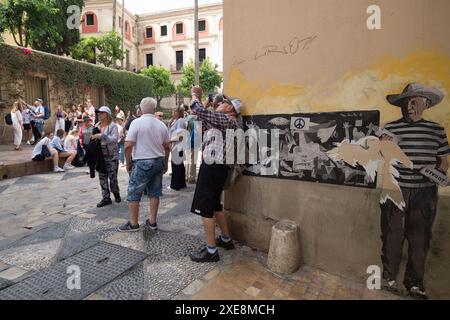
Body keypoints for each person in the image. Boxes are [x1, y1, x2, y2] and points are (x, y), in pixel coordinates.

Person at [380, 83, 449, 300]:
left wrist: (436, 173)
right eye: (406, 101)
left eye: (414, 101)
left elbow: (444, 161)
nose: (409, 106)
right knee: (393, 235)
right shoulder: (390, 129)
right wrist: (384, 147)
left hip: (424, 192)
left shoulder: (436, 130)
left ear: (425, 104)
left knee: (420, 239)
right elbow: (383, 158)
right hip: (397, 189)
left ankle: (415, 284)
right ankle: (389, 279)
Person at [188, 86, 243, 263]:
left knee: (205, 208)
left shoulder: (226, 120)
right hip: (220, 168)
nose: (219, 103)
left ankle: (211, 251)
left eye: (223, 102)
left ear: (229, 108)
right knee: (215, 205)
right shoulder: (227, 122)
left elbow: (197, 109)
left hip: (212, 167)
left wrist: (195, 95)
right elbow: (202, 117)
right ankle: (226, 239)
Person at [118, 97, 170, 232]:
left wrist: (128, 163)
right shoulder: (161, 124)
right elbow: (167, 146)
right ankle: (152, 222)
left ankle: (134, 224)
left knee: (134, 192)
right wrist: (165, 163)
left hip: (142, 162)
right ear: (154, 109)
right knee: (155, 193)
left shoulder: (136, 123)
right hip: (158, 160)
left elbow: (128, 146)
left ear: (141, 109)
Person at [92, 106, 121, 208]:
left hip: (111, 156)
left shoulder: (113, 126)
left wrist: (101, 136)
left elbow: (114, 139)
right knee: (102, 177)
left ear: (107, 114)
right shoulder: (96, 125)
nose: (99, 114)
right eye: (98, 113)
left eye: (101, 113)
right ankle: (106, 198)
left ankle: (115, 192)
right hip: (100, 156)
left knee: (112, 177)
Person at [168, 107, 187, 191]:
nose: (172, 113)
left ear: (177, 113)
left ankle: (175, 185)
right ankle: (181, 184)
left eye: (173, 111)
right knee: (179, 165)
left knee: (176, 166)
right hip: (178, 145)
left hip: (177, 145)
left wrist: (170, 140)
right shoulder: (178, 121)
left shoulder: (179, 121)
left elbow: (180, 135)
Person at [186, 109, 199, 184]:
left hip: (188, 139)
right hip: (195, 141)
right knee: (194, 159)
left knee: (187, 159)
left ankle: (186, 175)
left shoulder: (188, 118)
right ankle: (192, 177)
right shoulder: (198, 118)